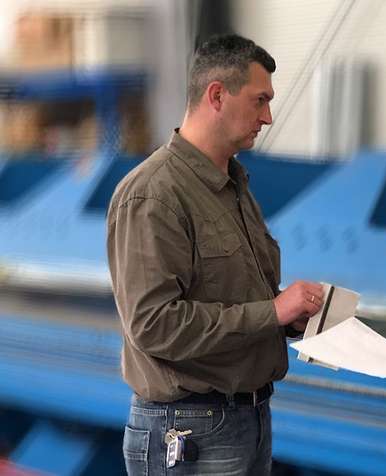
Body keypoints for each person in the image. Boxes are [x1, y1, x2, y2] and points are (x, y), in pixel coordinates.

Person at [107, 34, 324, 475]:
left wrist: (288, 317)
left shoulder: (234, 186)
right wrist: (271, 312)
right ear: (217, 95)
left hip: (246, 418)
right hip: (189, 430)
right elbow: (154, 325)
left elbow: (239, 296)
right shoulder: (154, 194)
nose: (268, 117)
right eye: (259, 100)